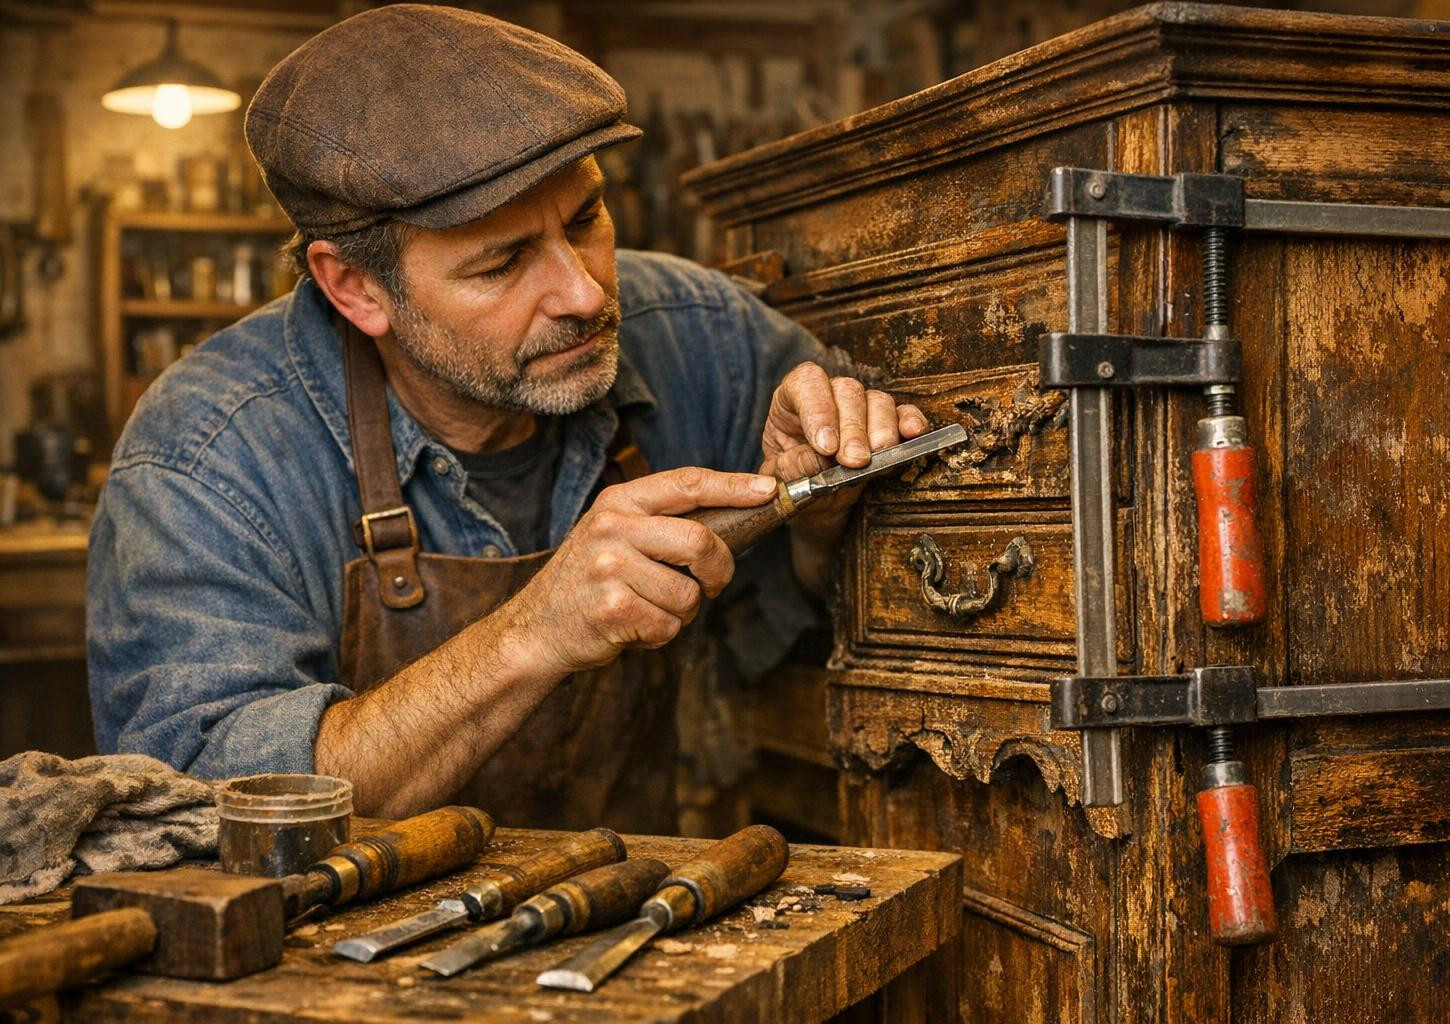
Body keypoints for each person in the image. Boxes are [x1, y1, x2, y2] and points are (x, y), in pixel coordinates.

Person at [86, 4, 928, 831]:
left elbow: (811, 616)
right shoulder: (206, 459)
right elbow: (203, 811)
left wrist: (822, 511)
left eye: (585, 220)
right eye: (503, 261)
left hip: (633, 915)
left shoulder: (704, 338)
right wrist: (534, 632)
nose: (584, 293)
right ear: (356, 287)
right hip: (335, 959)